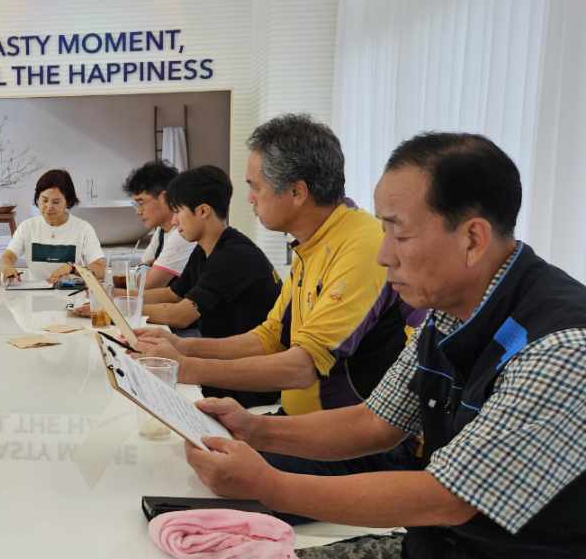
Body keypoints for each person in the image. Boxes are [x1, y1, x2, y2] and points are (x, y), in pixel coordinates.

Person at [147, 132, 586, 559]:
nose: (384, 255)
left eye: (398, 233)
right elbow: (376, 421)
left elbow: (445, 498)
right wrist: (255, 431)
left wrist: (268, 484)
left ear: (473, 238)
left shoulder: (560, 349)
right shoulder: (450, 315)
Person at [135, 114, 420, 474]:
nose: (250, 198)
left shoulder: (360, 246)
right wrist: (182, 348)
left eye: (256, 186)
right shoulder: (311, 243)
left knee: (185, 472)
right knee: (180, 450)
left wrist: (187, 367)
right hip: (300, 423)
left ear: (297, 192)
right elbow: (270, 337)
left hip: (351, 443)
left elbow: (301, 367)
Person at [140, 166, 280, 407]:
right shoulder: (205, 249)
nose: (173, 221)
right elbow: (173, 294)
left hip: (243, 381)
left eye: (178, 212)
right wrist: (119, 299)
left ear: (203, 211)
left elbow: (180, 315)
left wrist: (120, 307)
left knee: (150, 387)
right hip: (219, 361)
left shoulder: (234, 255)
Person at [0, 168, 106, 285]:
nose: (49, 207)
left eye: (56, 202)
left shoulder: (83, 229)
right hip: (35, 292)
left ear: (67, 202)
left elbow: (100, 269)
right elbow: (8, 256)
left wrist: (73, 269)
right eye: (44, 200)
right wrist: (7, 267)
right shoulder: (27, 227)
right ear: (37, 199)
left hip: (71, 293)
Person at [122, 160, 196, 289]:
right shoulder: (161, 230)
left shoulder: (182, 233)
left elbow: (148, 284)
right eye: (136, 205)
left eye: (141, 202)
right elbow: (143, 265)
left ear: (164, 198)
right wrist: (147, 268)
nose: (138, 211)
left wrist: (148, 269)